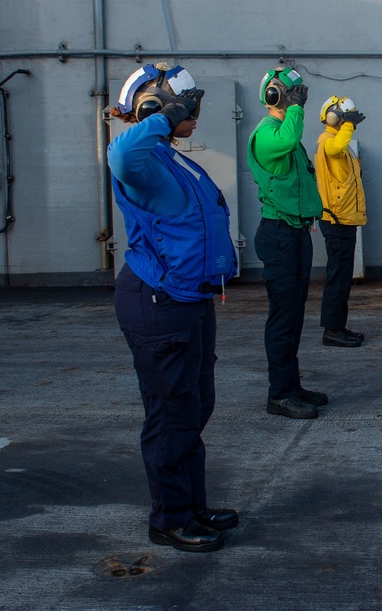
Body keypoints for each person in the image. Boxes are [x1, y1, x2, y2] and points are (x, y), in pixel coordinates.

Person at [108, 63, 239, 553]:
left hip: (190, 297)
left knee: (195, 406)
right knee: (170, 412)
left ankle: (191, 504)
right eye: (185, 106)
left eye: (194, 104)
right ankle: (170, 518)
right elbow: (120, 153)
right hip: (159, 301)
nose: (194, 115)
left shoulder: (170, 158)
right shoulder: (140, 157)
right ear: (154, 109)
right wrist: (160, 118)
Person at [248, 67, 327, 419]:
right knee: (282, 318)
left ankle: (291, 386)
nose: (299, 102)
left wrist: (292, 109)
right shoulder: (267, 134)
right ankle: (279, 394)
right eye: (292, 95)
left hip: (294, 232)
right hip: (279, 235)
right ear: (274, 97)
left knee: (294, 315)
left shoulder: (284, 131)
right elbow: (287, 141)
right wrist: (293, 109)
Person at [315, 95, 367, 348]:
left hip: (343, 219)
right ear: (334, 116)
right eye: (345, 117)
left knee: (343, 277)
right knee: (337, 277)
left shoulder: (339, 142)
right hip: (336, 221)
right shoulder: (329, 141)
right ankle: (332, 331)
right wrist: (348, 125)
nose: (350, 123)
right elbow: (335, 148)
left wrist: (346, 125)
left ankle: (338, 327)